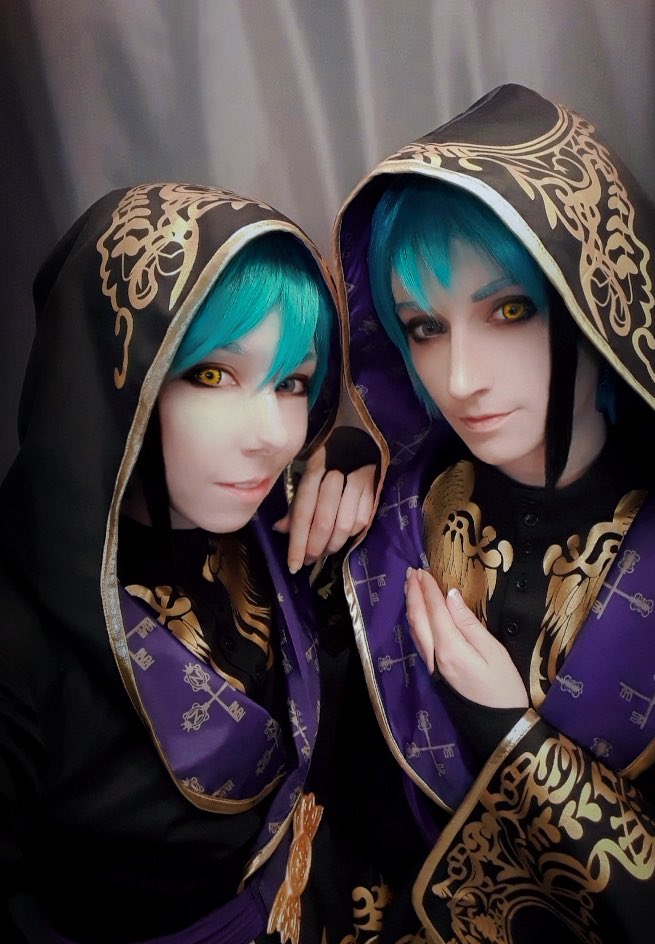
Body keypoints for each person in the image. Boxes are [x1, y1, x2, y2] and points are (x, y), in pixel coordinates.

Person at [331, 84, 655, 942]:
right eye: (424, 327)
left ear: (600, 301)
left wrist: (511, 735)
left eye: (509, 310)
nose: (460, 379)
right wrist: (337, 459)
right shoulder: (393, 518)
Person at [0, 181, 376, 943]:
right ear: (109, 372)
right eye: (212, 375)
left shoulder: (270, 523)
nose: (273, 435)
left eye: (293, 383)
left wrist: (359, 458)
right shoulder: (19, 636)